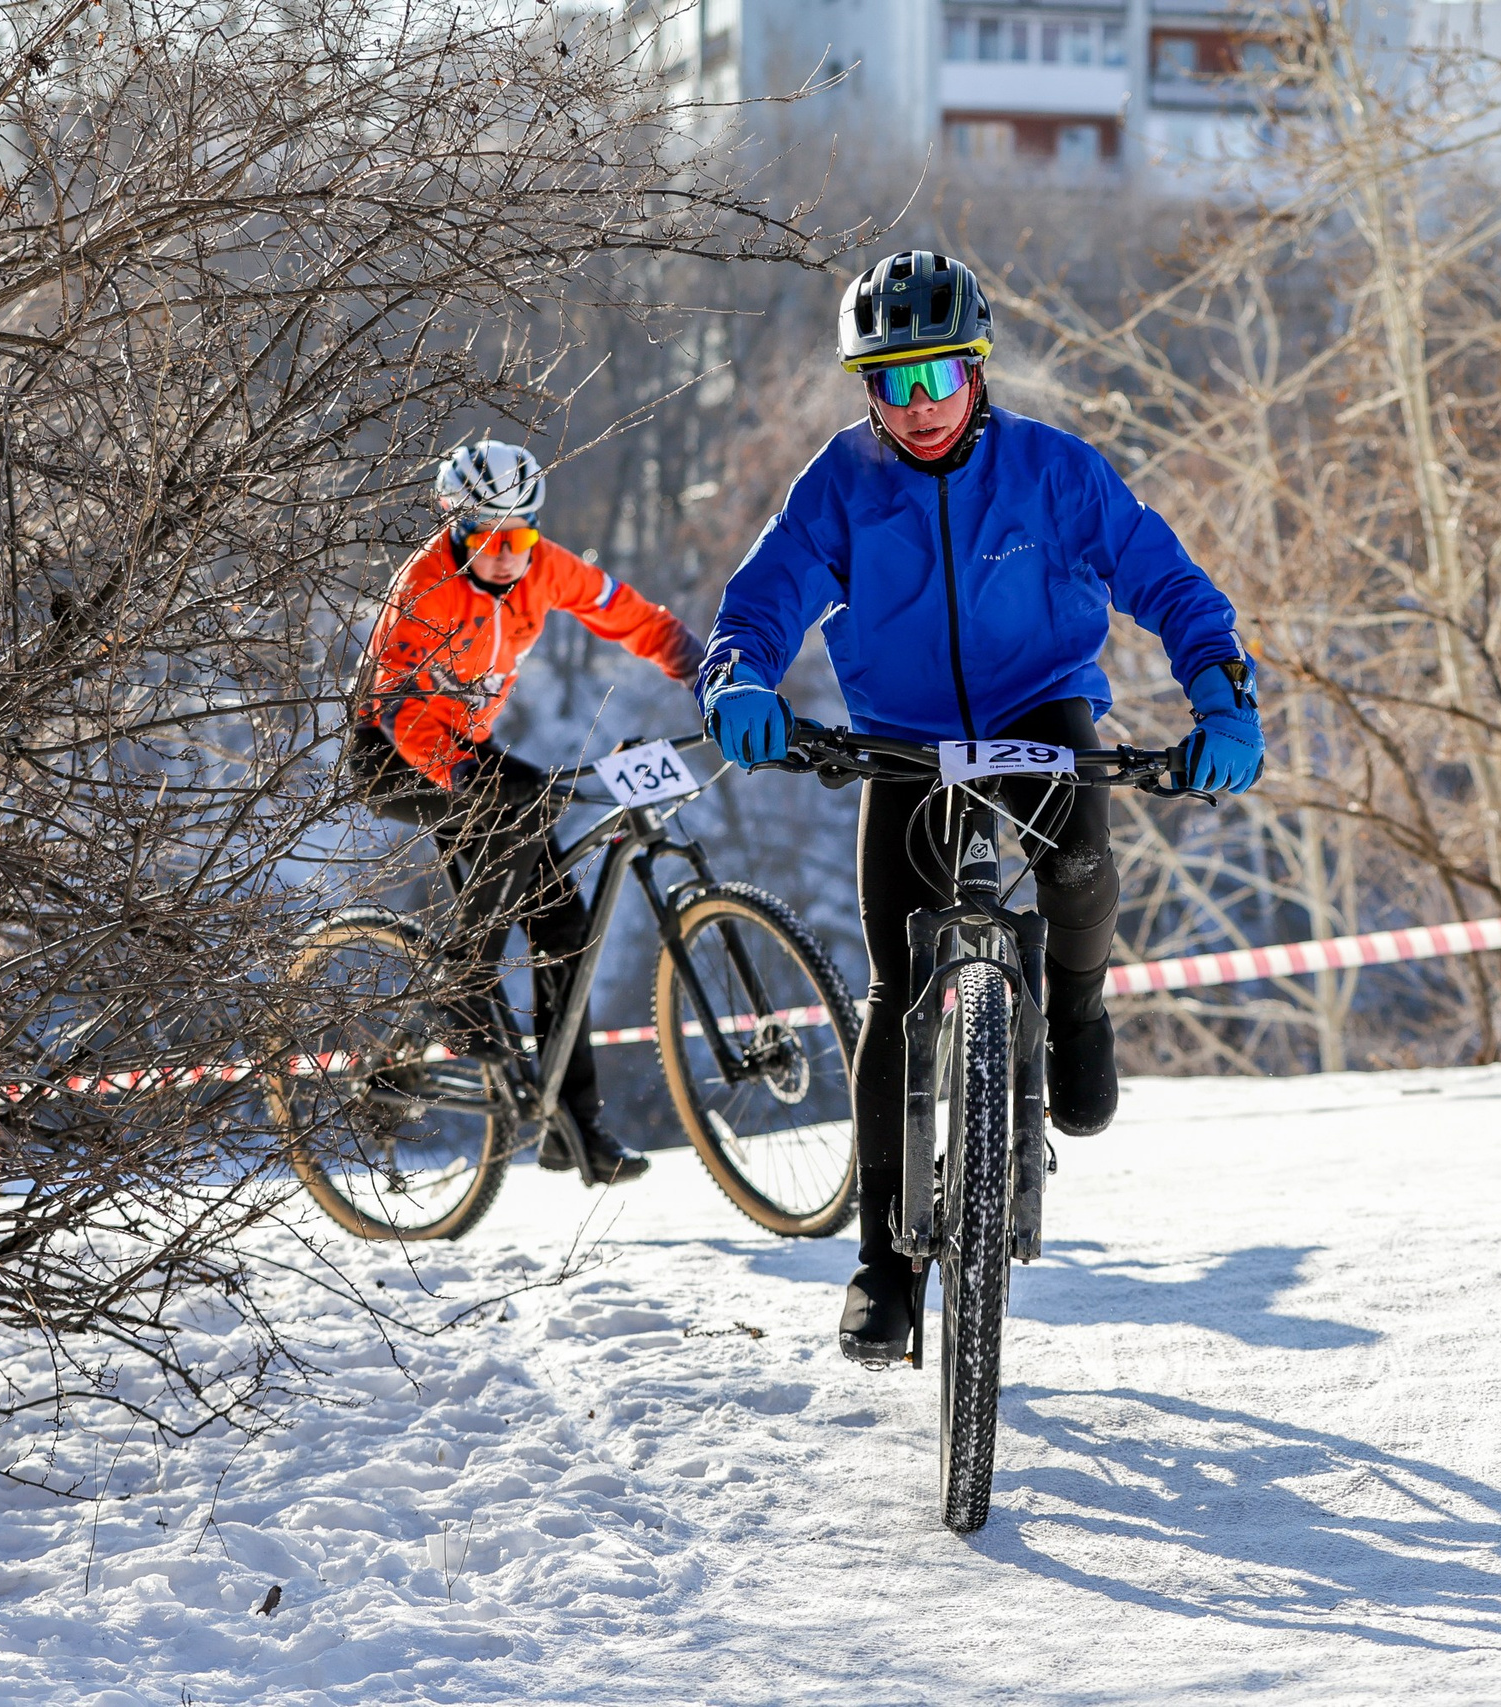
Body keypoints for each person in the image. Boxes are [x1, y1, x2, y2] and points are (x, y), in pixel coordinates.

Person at [696, 250, 1264, 1363]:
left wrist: (1221, 697)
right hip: (906, 740)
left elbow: (1170, 584)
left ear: (977, 370)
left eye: (937, 376)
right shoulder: (840, 484)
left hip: (1037, 709)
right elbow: (761, 601)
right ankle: (883, 1264)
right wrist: (738, 683)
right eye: (891, 381)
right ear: (868, 390)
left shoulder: (1055, 472)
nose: (918, 405)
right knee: (895, 986)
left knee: (1080, 868)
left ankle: (1077, 1011)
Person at [349, 438, 705, 1184]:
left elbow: (625, 613)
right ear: (456, 528)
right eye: (491, 540)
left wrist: (701, 671)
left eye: (522, 537)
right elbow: (405, 712)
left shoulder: (542, 566)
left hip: (466, 745)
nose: (509, 556)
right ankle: (463, 984)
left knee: (564, 925)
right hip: (393, 752)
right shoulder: (425, 588)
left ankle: (575, 1124)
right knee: (520, 813)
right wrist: (464, 774)